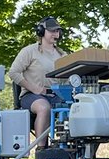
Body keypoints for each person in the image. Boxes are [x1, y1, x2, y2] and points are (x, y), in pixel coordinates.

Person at [9, 17, 66, 146]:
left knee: (76, 108)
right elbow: (13, 72)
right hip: (32, 96)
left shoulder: (62, 55)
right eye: (51, 31)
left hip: (56, 95)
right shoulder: (29, 51)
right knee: (44, 107)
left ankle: (70, 152)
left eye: (57, 31)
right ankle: (42, 150)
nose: (55, 34)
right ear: (41, 32)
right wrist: (34, 88)